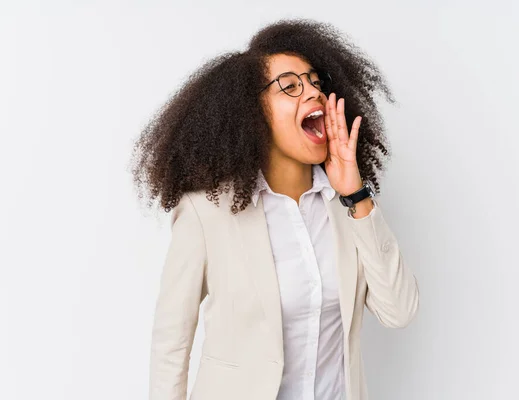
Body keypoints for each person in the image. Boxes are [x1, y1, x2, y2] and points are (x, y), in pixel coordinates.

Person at [131, 18, 419, 400]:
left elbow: (399, 311)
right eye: (289, 86)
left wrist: (356, 195)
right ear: (253, 111)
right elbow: (171, 344)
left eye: (316, 82)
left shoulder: (347, 206)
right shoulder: (206, 212)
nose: (313, 93)